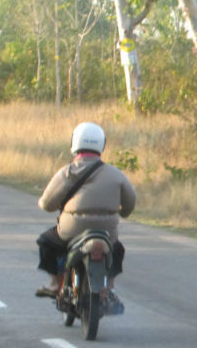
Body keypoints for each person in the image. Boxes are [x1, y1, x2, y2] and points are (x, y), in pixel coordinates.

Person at [36, 122, 136, 312]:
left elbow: (48, 204)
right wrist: (122, 213)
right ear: (102, 145)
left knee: (46, 242)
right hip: (107, 232)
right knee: (116, 250)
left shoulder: (67, 172)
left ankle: (55, 283)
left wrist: (44, 204)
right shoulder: (116, 174)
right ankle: (109, 288)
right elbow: (130, 202)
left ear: (75, 144)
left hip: (71, 230)